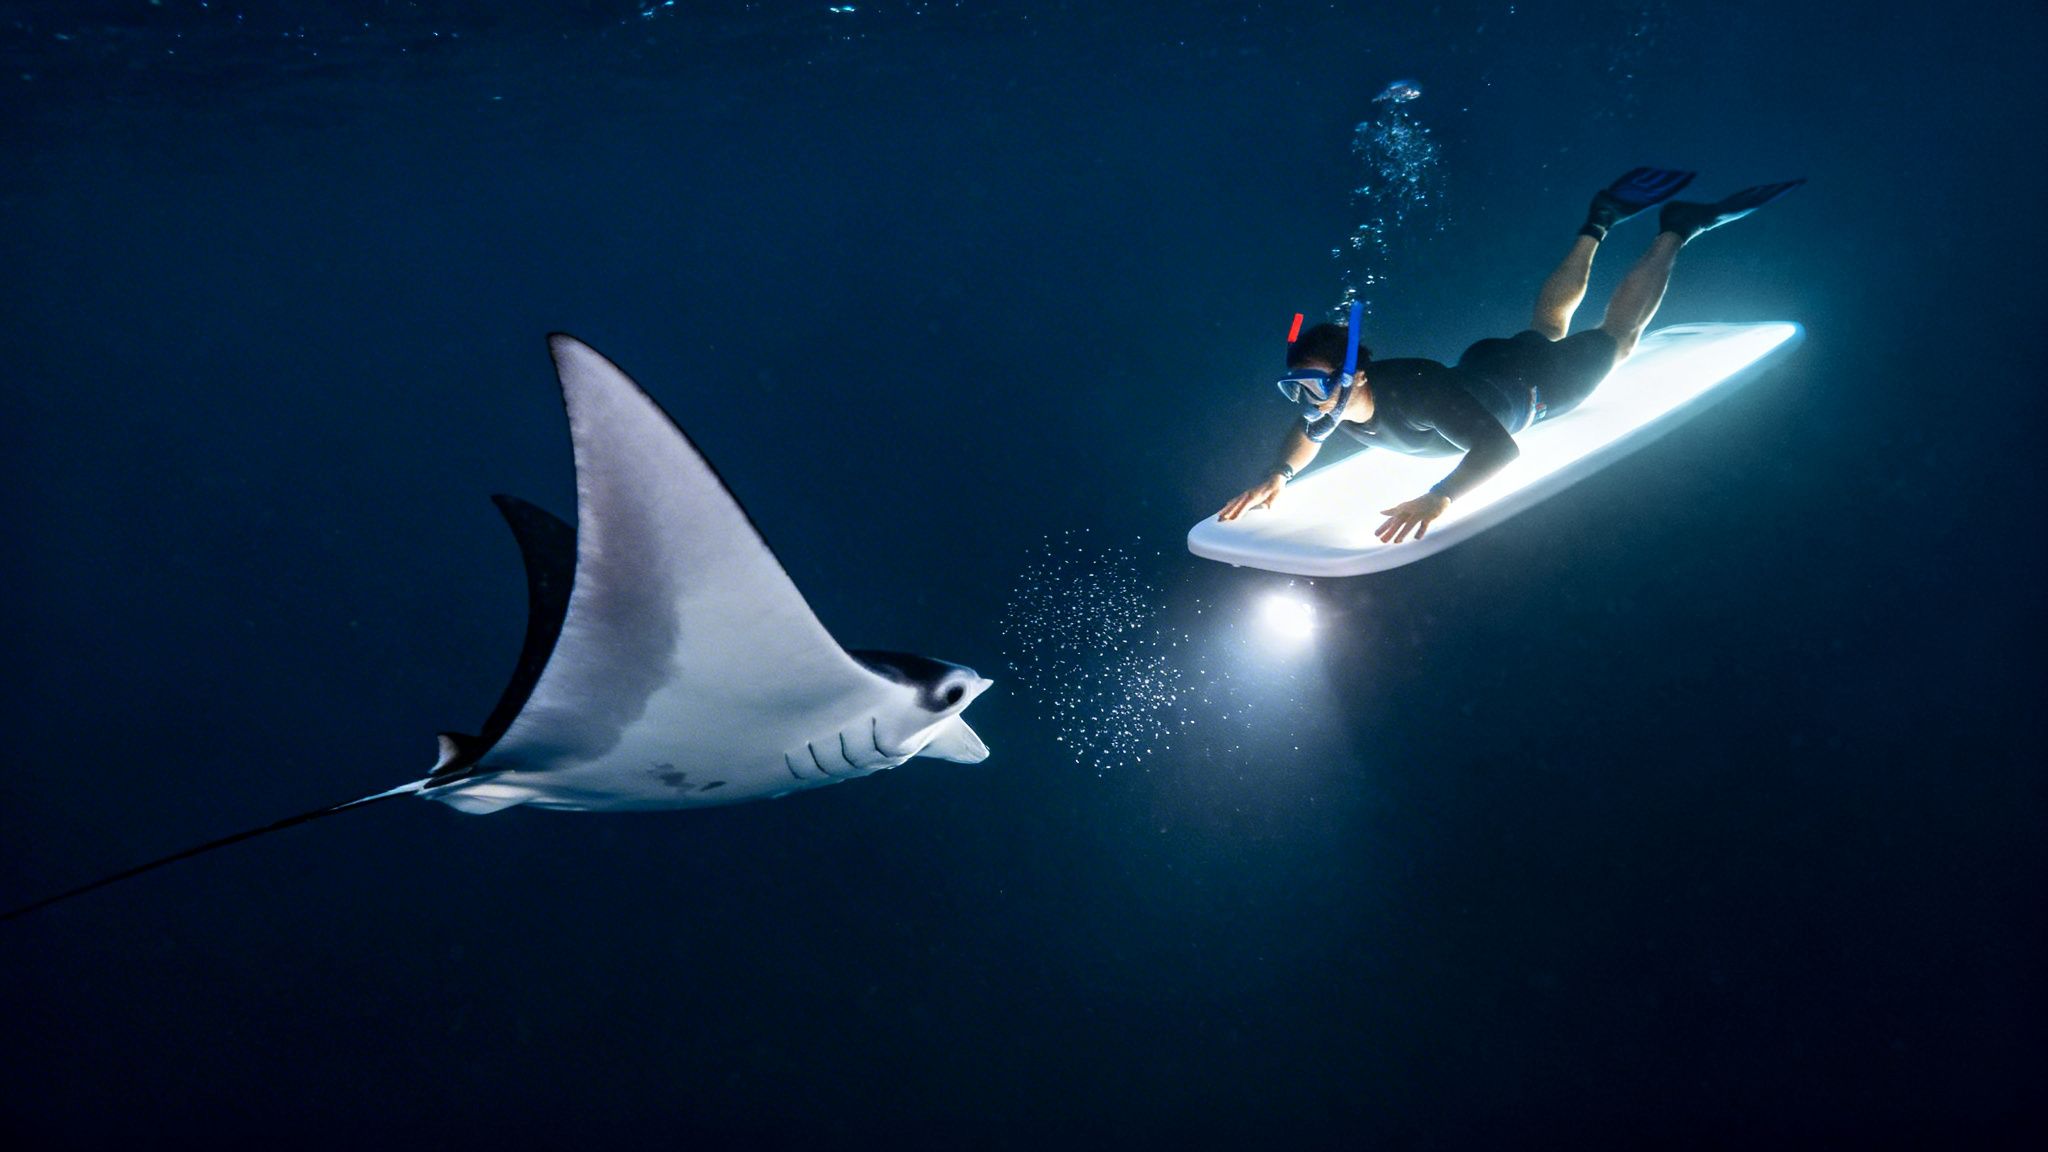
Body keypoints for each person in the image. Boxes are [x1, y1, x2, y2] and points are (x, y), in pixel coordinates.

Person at [1217, 168, 1804, 543]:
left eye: (1316, 385)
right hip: (1487, 364)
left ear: (1357, 376)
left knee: (1620, 336)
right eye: (1296, 386)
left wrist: (1439, 496)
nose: (1308, 399)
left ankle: (1677, 228)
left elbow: (1499, 447)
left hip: (1540, 384)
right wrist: (1278, 474)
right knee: (1545, 325)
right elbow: (1307, 432)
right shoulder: (1335, 406)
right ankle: (1599, 220)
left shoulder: (1415, 393)